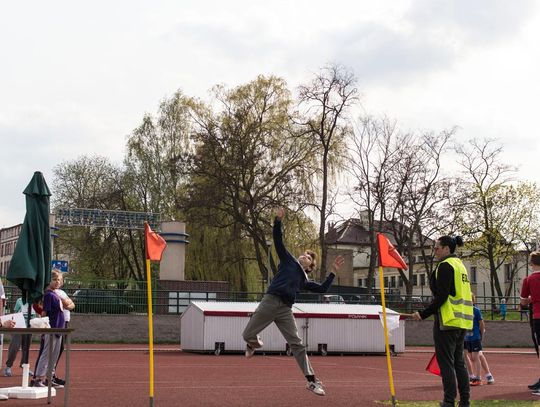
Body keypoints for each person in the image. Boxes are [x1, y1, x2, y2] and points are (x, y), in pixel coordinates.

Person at [242, 208, 344, 396]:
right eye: (304, 254)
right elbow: (278, 241)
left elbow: (322, 290)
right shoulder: (289, 260)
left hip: (285, 310)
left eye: (308, 257)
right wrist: (278, 220)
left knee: (297, 344)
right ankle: (253, 343)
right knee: (246, 334)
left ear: (310, 266)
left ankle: (312, 381)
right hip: (270, 301)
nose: (303, 256)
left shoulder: (304, 279)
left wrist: (332, 272)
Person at [413, 235, 473, 407]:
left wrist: (423, 313)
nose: (435, 251)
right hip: (462, 322)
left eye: (437, 247)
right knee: (459, 363)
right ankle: (465, 401)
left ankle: (448, 401)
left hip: (447, 321)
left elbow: (442, 296)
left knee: (446, 363)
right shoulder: (460, 265)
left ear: (447, 248)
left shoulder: (445, 266)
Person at [32, 270, 66, 388]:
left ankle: (49, 378)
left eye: (59, 280)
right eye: (54, 279)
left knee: (55, 355)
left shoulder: (56, 294)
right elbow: (45, 312)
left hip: (59, 329)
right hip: (51, 328)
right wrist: (45, 328)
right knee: (46, 354)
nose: (57, 282)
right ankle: (38, 379)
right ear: (49, 280)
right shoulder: (48, 295)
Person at [520, 251, 540, 395]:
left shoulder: (528, 279)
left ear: (532, 263)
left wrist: (532, 299)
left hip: (538, 316)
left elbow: (523, 301)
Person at [464, 295, 494, 386]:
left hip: (475, 337)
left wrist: (481, 336)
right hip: (466, 337)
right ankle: (473, 376)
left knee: (475, 356)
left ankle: (479, 377)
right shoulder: (463, 310)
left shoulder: (476, 311)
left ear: (473, 301)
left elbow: (481, 324)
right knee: (469, 356)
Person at [3, 297, 38, 377]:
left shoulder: (34, 300)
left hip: (29, 328)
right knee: (14, 347)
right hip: (18, 327)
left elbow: (36, 314)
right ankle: (8, 366)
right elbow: (15, 313)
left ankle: (25, 367)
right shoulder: (19, 300)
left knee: (26, 349)